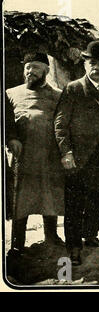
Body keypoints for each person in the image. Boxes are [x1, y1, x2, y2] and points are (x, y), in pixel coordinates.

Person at [54, 40, 99, 265]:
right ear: (85, 65)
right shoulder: (74, 88)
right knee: (74, 203)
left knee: (97, 198)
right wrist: (66, 153)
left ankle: (91, 236)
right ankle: (74, 247)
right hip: (78, 156)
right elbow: (60, 123)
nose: (97, 67)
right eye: (92, 63)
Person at [6, 52, 64, 254]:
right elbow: (5, 122)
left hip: (50, 157)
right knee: (21, 199)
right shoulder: (10, 94)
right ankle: (17, 241)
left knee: (49, 196)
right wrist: (11, 138)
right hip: (23, 158)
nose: (30, 72)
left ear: (46, 71)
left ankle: (51, 236)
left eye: (35, 68)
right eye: (27, 67)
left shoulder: (58, 95)